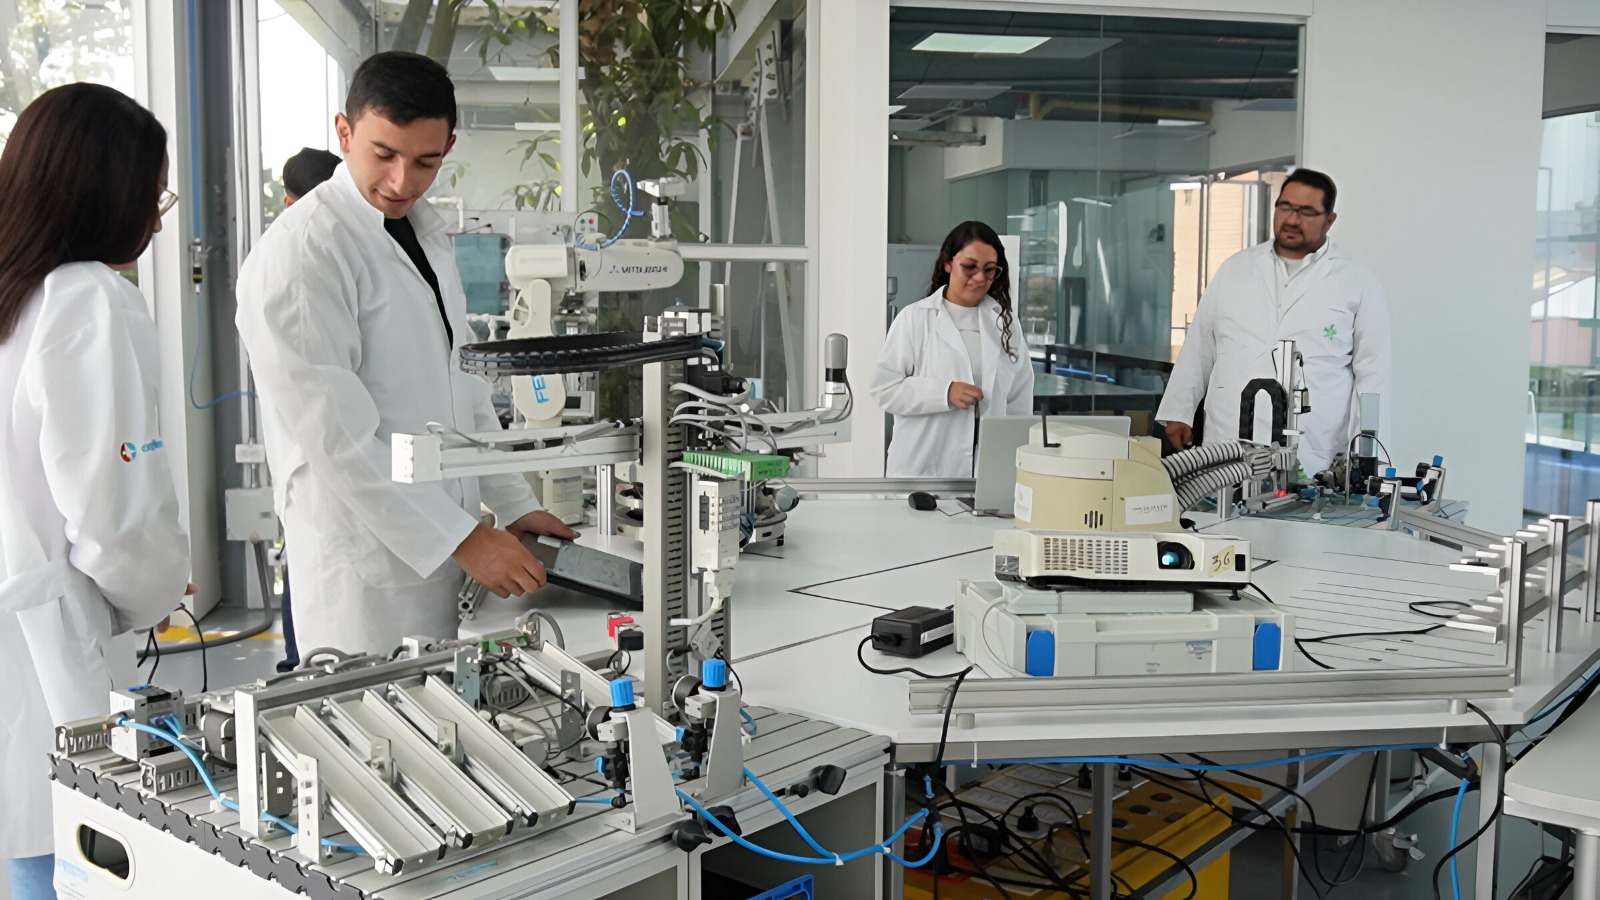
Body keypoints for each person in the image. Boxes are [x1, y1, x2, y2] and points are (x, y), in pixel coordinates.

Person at [237, 52, 576, 657]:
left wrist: (514, 504)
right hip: (364, 570)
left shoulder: (423, 233)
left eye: (425, 162)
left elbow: (464, 390)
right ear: (344, 133)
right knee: (372, 713)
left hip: (443, 547)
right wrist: (463, 539)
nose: (401, 182)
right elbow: (335, 438)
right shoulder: (304, 252)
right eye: (383, 154)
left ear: (449, 147)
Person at [0, 83, 190, 899]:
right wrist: (153, 594)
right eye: (153, 196)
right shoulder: (87, 297)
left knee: (25, 854)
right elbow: (115, 517)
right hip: (48, 643)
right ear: (103, 194)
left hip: (17, 624)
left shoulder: (13, 290)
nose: (156, 221)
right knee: (73, 860)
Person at [1156, 169, 1391, 476]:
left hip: (1312, 447)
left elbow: (1373, 375)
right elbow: (1201, 344)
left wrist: (1370, 457)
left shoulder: (1356, 283)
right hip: (1227, 439)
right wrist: (1179, 411)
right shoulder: (1235, 270)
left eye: (1306, 211)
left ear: (1329, 220)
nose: (1292, 219)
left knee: (1303, 502)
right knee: (1220, 502)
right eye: (1285, 207)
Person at [873, 220, 1035, 478]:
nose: (979, 278)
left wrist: (1014, 465)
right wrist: (944, 392)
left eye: (989, 270)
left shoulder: (1006, 324)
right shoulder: (915, 318)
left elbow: (1019, 401)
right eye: (969, 267)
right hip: (922, 472)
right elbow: (885, 390)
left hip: (986, 473)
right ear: (948, 263)